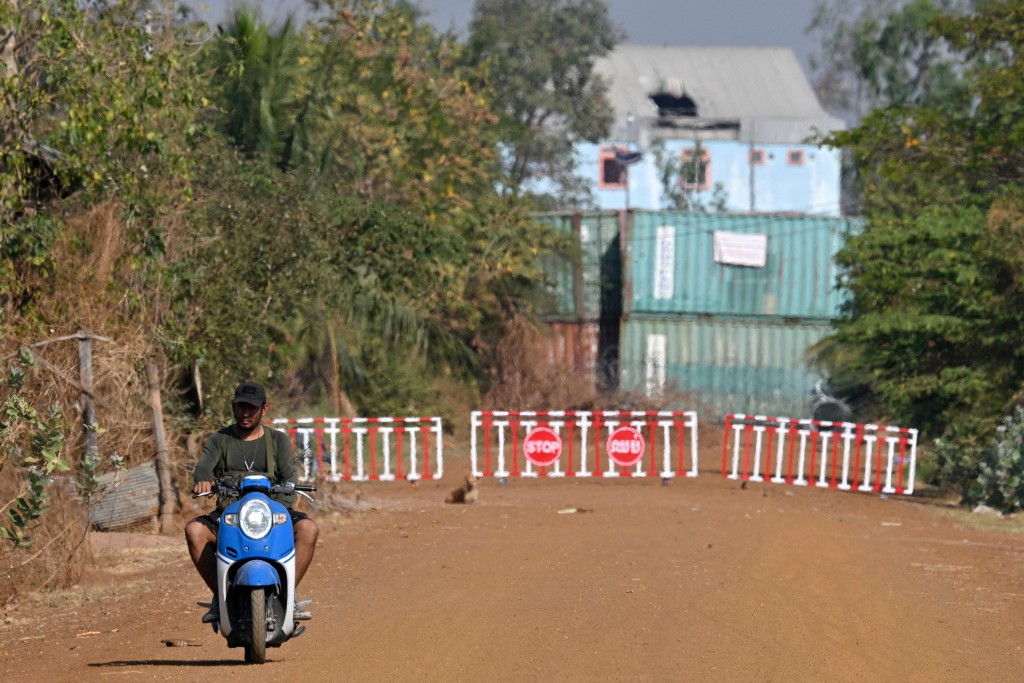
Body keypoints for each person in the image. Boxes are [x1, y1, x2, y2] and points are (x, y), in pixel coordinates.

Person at [184, 381, 319, 623]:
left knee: (309, 529)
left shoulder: (277, 440)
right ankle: (221, 597)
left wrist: (276, 508)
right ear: (233, 408)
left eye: (251, 408)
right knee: (194, 530)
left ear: (264, 409)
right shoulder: (219, 440)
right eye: (240, 407)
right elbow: (203, 468)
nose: (245, 413)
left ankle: (288, 596)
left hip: (271, 514)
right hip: (230, 516)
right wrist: (203, 480)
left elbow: (289, 478)